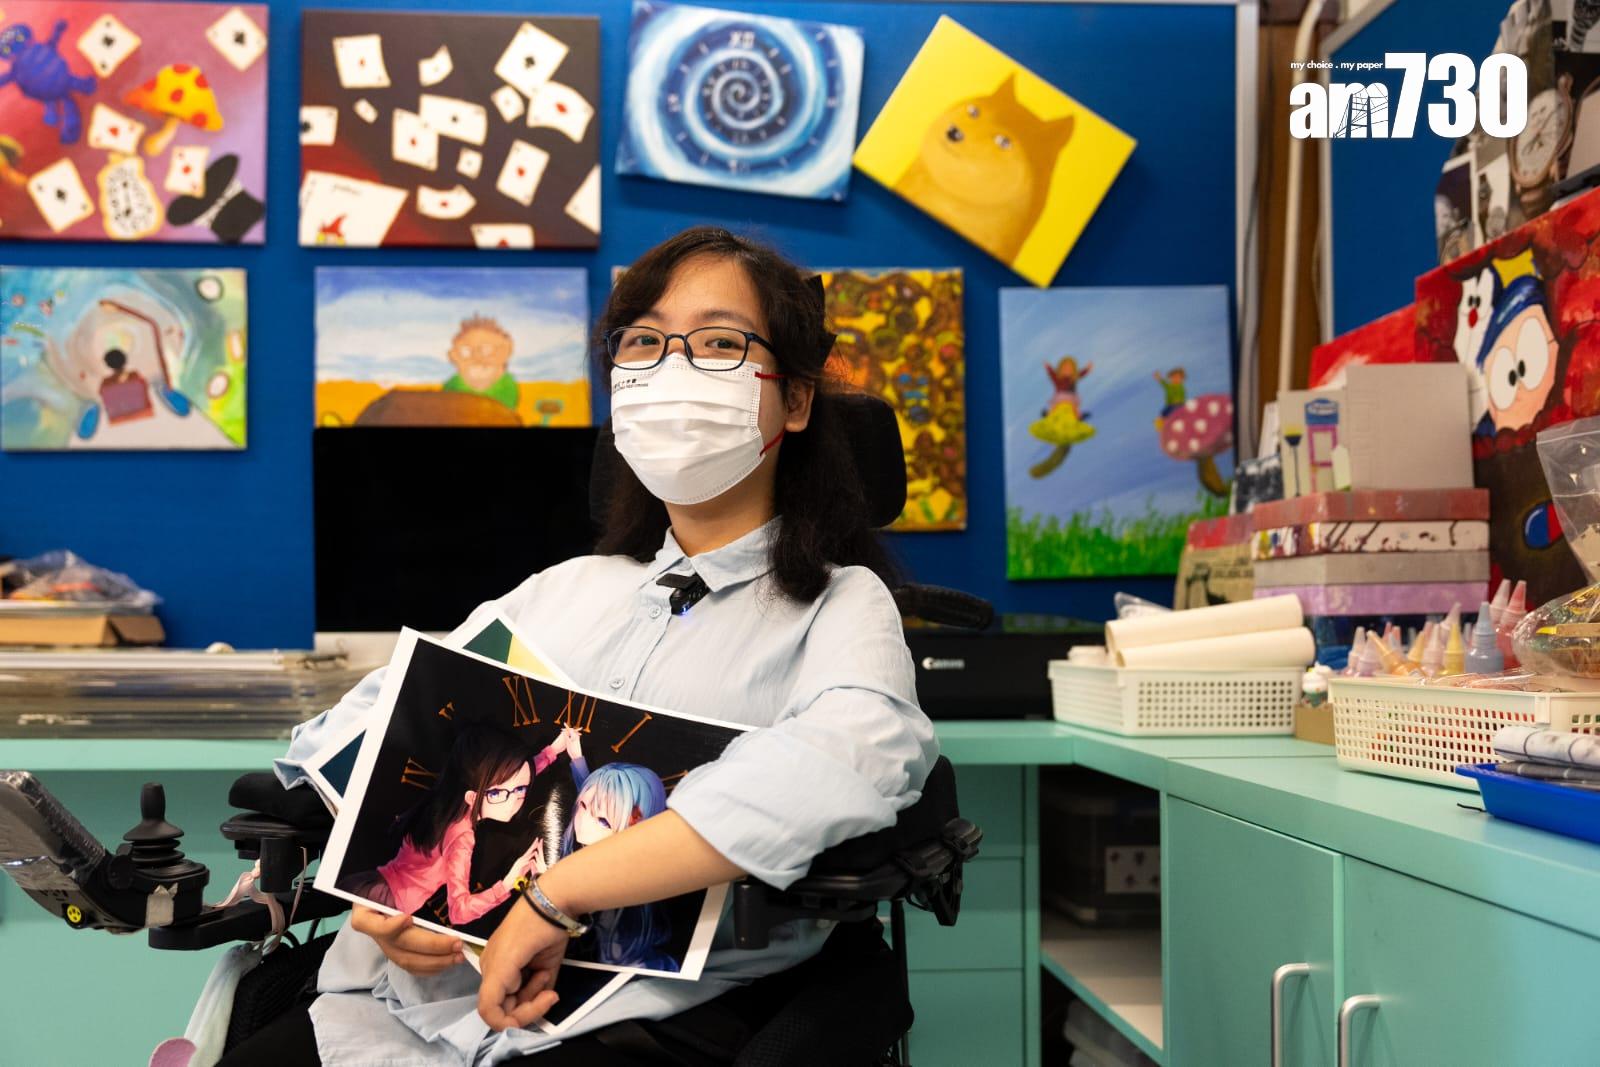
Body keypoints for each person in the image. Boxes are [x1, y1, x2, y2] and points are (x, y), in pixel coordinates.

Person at [222, 226, 935, 1066]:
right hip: (414, 1000)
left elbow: (852, 756)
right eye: (645, 342)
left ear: (797, 399)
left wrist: (558, 893)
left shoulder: (840, 602)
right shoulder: (566, 588)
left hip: (645, 1012)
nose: (672, 368)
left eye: (717, 342)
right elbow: (375, 724)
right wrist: (388, 886)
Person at [334, 725, 580, 926]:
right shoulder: (461, 836)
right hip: (386, 904)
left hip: (371, 883)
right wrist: (507, 882)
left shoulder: (448, 799)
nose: (513, 802)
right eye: (497, 794)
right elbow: (459, 912)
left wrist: (553, 750)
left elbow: (514, 776)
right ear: (473, 796)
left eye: (520, 790)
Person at [556, 757, 678, 973]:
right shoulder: (583, 855)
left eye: (603, 821)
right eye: (582, 806)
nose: (583, 822)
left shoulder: (628, 881)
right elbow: (587, 790)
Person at [443, 314, 519, 411]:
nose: (477, 358)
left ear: (505, 352)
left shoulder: (506, 384)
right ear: (453, 356)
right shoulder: (452, 385)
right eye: (466, 351)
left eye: (486, 350)